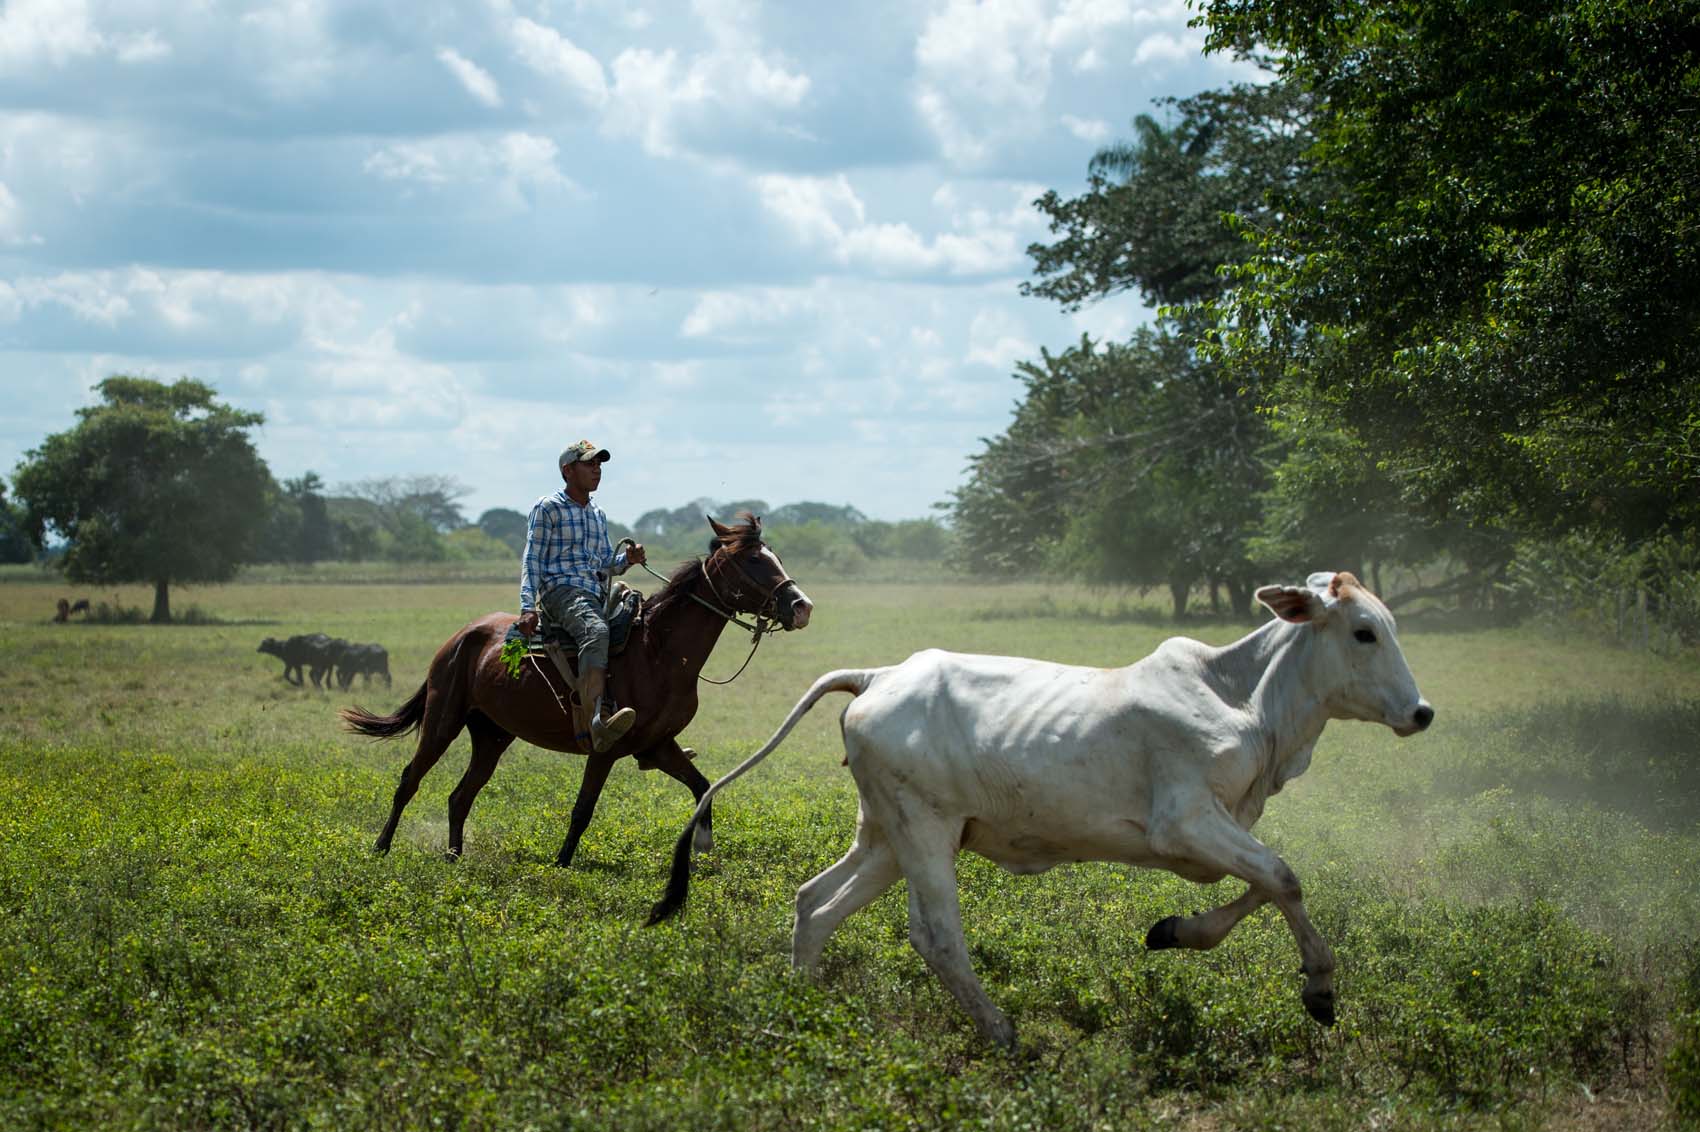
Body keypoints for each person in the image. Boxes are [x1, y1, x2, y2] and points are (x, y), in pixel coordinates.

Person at [515, 440, 647, 752]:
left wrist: (627, 559)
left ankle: (648, 731)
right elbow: (532, 558)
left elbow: (605, 563)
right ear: (567, 471)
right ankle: (595, 721)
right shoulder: (548, 508)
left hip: (596, 592)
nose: (597, 469)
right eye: (589, 464)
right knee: (596, 630)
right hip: (561, 592)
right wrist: (527, 606)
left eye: (599, 464)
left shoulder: (598, 514)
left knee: (641, 621)